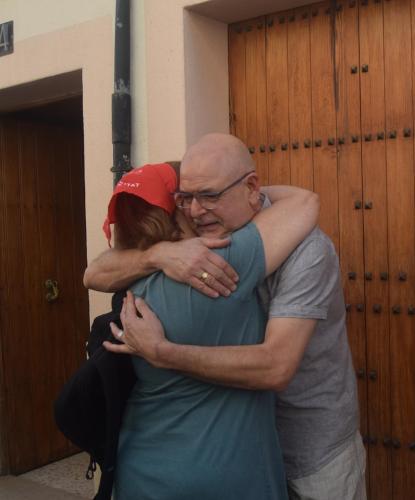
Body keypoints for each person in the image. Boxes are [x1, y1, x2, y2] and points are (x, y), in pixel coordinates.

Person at [84, 134, 365, 500]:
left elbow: (276, 366)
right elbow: (94, 273)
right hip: (248, 448)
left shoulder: (306, 250)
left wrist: (163, 352)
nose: (195, 211)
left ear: (251, 187)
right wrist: (160, 255)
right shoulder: (191, 252)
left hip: (313, 449)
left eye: (211, 196)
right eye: (185, 199)